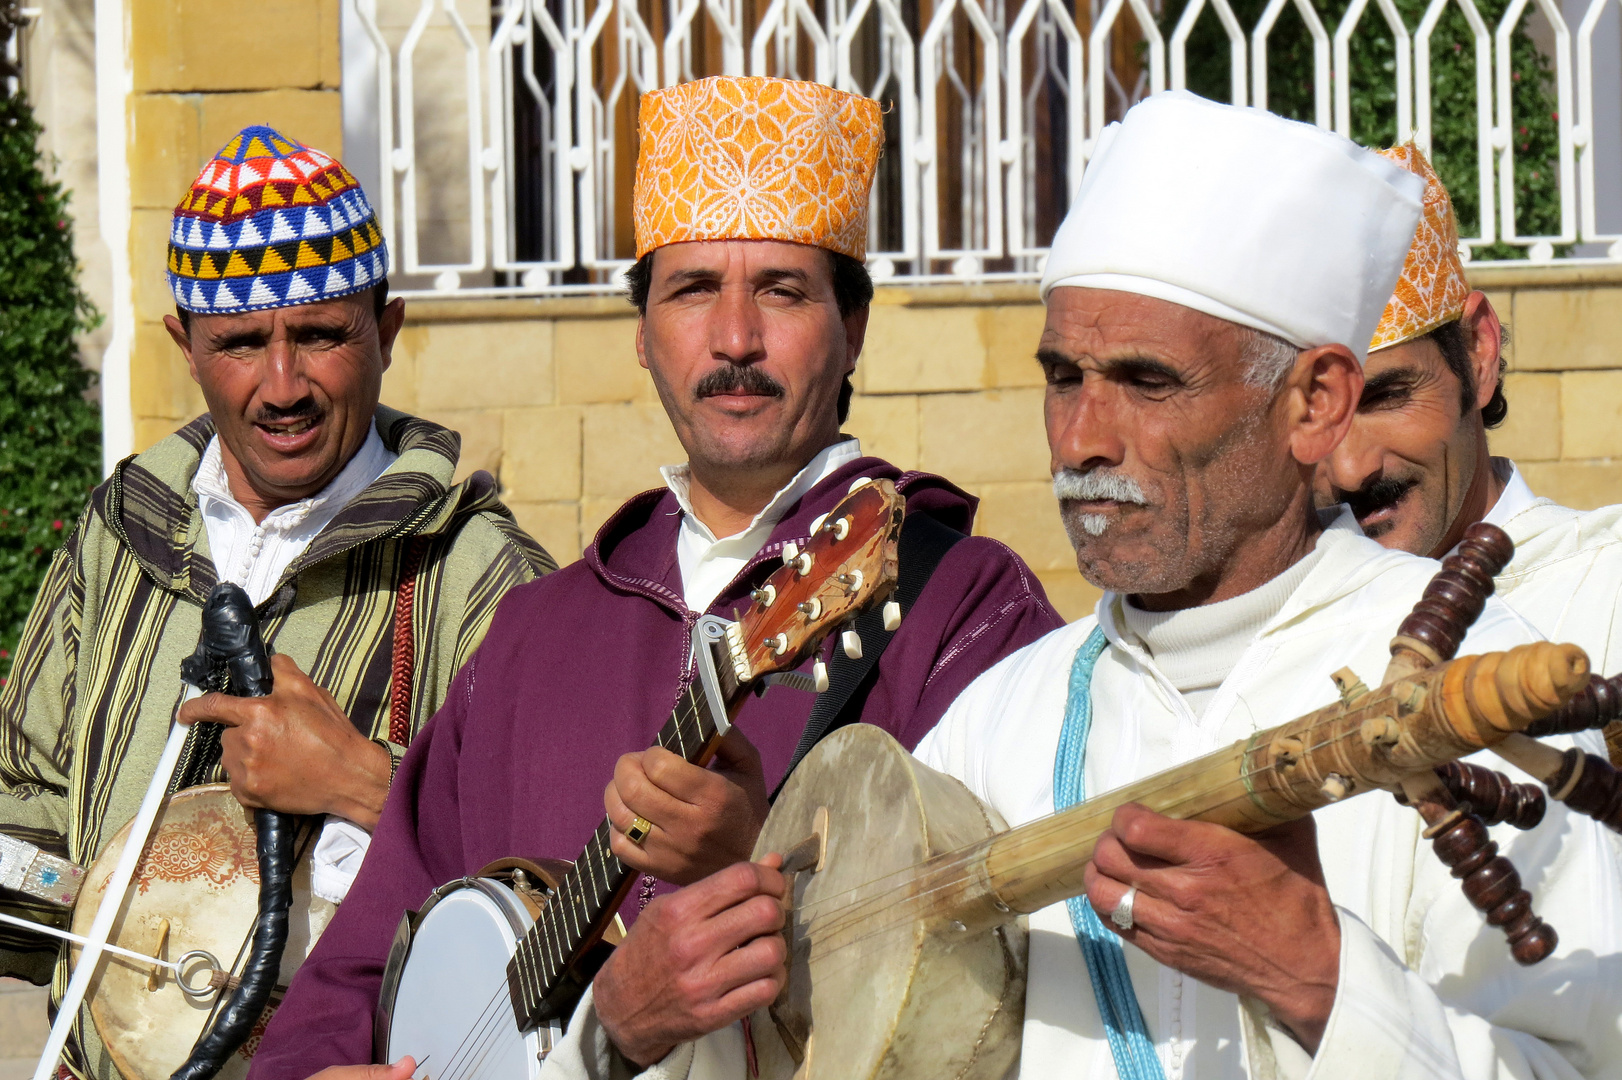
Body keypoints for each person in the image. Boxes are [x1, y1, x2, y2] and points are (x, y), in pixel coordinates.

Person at [539, 92, 1622, 1080]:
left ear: (1313, 405)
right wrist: (621, 1033)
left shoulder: (1469, 701)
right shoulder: (997, 724)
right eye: (1063, 379)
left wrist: (1324, 982)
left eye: (1146, 381)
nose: (1082, 440)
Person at [249, 75, 1063, 1077]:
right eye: (689, 291)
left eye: (781, 289)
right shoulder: (534, 633)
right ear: (640, 333)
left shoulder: (959, 606)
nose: (733, 339)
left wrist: (755, 860)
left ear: (852, 330)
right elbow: (362, 958)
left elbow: (1006, 994)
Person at [0, 126, 553, 1076]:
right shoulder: (120, 532)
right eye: (242, 343)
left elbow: (558, 890)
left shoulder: (483, 577)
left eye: (322, 336)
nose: (283, 385)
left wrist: (365, 786)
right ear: (185, 344)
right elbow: (28, 805)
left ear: (387, 330)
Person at [1316, 144, 1622, 762]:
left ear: (1477, 354)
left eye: (1386, 397)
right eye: (1315, 418)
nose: (1350, 468)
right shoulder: (1289, 621)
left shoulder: (1605, 588)